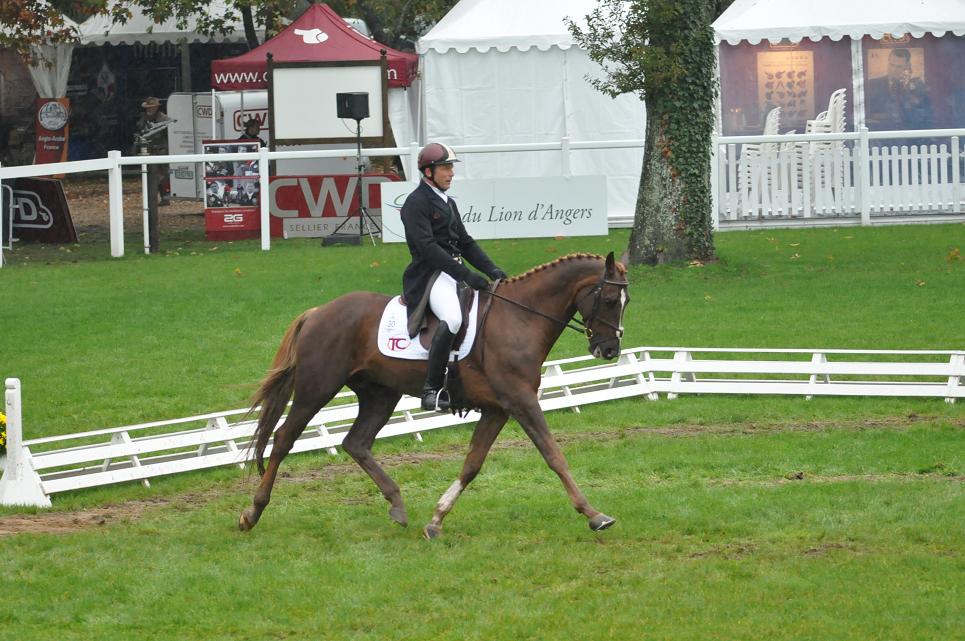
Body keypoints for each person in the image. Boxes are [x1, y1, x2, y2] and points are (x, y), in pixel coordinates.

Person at [400, 142, 507, 411]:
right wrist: (467, 275)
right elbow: (428, 249)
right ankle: (431, 389)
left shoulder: (448, 203)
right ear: (428, 172)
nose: (451, 173)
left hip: (452, 271)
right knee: (453, 318)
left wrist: (491, 269)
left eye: (451, 168)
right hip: (429, 275)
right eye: (445, 168)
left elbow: (466, 243)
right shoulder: (415, 204)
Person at [865, 48, 932, 131]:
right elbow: (866, 114)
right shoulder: (872, 84)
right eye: (891, 65)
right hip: (880, 133)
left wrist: (906, 87)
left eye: (899, 67)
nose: (893, 70)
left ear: (907, 66)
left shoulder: (917, 86)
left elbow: (923, 116)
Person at [136, 96, 173, 205]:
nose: (149, 109)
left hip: (162, 149)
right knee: (150, 175)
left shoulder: (163, 119)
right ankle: (153, 199)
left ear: (156, 107)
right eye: (148, 107)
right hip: (149, 150)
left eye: (151, 107)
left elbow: (168, 135)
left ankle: (165, 197)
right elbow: (140, 129)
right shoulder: (145, 118)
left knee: (163, 175)